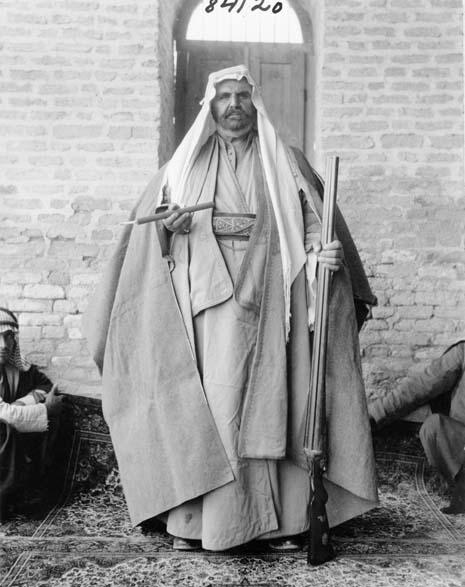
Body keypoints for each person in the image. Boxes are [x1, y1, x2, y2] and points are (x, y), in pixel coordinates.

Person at [84, 65, 378, 551]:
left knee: (274, 405)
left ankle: (279, 524)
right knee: (213, 411)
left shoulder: (285, 162)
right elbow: (149, 238)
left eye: (243, 96)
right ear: (210, 105)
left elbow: (311, 222)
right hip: (207, 304)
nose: (234, 105)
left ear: (255, 103)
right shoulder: (181, 167)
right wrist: (169, 226)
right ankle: (197, 524)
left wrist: (321, 252)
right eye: (224, 97)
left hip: (271, 300)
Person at [368, 340, 465, 515]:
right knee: (433, 427)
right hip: (461, 443)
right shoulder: (462, 352)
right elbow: (420, 387)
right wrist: (375, 414)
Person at [0, 307, 63, 520]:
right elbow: (6, 415)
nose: (3, 345)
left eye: (8, 338)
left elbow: (45, 386)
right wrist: (44, 409)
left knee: (56, 416)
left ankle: (30, 493)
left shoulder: (14, 368)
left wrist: (22, 402)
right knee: (4, 429)